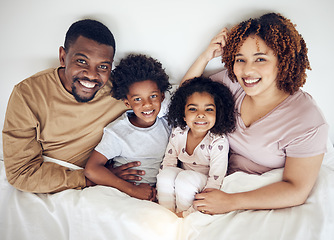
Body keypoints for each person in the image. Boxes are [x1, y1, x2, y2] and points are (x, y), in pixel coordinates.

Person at [181, 13, 329, 214]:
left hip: (258, 195)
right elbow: (186, 96)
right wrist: (206, 56)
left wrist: (231, 202)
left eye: (260, 59)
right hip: (219, 181)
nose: (247, 70)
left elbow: (296, 189)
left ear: (282, 61)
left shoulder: (306, 119)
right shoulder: (232, 85)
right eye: (240, 59)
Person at [2, 19, 142, 193]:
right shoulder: (28, 94)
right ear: (63, 57)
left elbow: (169, 98)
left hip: (101, 179)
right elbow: (20, 173)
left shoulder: (120, 91)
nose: (92, 75)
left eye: (103, 66)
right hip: (50, 182)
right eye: (82, 61)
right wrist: (93, 178)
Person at [84, 54, 171, 201]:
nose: (147, 104)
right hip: (126, 193)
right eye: (138, 99)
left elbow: (185, 88)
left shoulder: (167, 123)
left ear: (162, 96)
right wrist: (132, 190)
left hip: (159, 194)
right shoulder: (118, 132)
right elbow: (91, 169)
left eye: (153, 96)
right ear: (127, 103)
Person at [156, 77, 236, 217]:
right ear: (184, 115)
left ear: (218, 114)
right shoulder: (178, 132)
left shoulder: (217, 141)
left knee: (185, 179)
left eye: (209, 109)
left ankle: (185, 216)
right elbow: (169, 162)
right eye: (193, 109)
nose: (201, 114)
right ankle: (166, 213)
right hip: (183, 178)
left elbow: (215, 180)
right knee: (165, 174)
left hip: (205, 183)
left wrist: (193, 210)